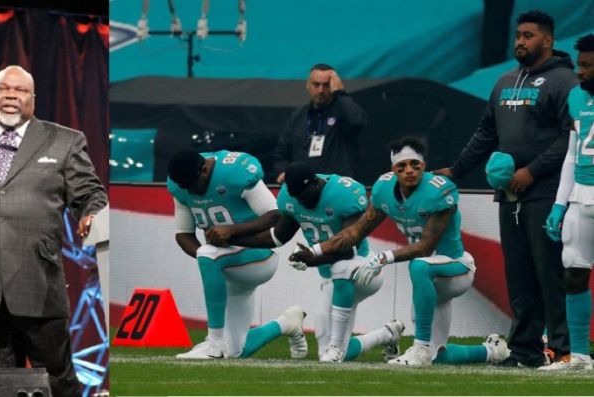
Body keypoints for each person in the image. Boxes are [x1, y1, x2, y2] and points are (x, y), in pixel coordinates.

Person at [0, 65, 107, 397]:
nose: (11, 95)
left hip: (39, 285)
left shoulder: (65, 141)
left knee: (58, 383)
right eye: (3, 89)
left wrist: (92, 214)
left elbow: (89, 194)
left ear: (33, 99)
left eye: (20, 90)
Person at [434, 10, 577, 367]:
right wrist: (456, 170)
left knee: (550, 274)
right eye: (517, 36)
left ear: (548, 40)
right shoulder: (504, 82)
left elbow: (571, 138)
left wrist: (533, 170)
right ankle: (525, 351)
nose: (519, 42)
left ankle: (563, 350)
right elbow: (485, 133)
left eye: (528, 36)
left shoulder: (566, 82)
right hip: (510, 197)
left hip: (549, 194)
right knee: (520, 277)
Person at [292, 137, 510, 366]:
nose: (409, 171)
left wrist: (384, 257)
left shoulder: (438, 190)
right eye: (402, 166)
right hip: (429, 277)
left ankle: (420, 348)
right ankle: (492, 351)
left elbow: (426, 247)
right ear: (393, 169)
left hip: (455, 268)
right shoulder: (384, 189)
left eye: (415, 165)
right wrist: (314, 250)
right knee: (439, 356)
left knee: (419, 265)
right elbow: (355, 232)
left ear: (424, 166)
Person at [226, 161, 404, 362]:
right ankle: (387, 334)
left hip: (362, 268)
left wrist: (314, 258)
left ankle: (337, 346)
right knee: (325, 353)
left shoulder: (343, 194)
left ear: (317, 183)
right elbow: (277, 237)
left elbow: (349, 248)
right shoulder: (291, 198)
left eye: (305, 196)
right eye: (297, 198)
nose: (302, 202)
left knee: (341, 267)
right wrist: (232, 237)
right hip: (332, 279)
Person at [166, 149, 307, 359]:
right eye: (185, 187)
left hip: (259, 254)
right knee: (234, 351)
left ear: (204, 170)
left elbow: (275, 215)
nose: (191, 192)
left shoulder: (234, 172)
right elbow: (183, 234)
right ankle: (287, 323)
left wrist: (231, 233)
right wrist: (209, 262)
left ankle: (213, 342)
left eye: (193, 185)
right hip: (228, 262)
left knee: (208, 254)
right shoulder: (181, 185)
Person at [540, 34, 594, 371]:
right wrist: (560, 204)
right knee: (573, 271)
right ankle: (579, 355)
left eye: (588, 66)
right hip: (581, 197)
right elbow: (572, 157)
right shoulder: (576, 97)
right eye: (581, 65)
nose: (582, 72)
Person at [273, 63, 367, 183]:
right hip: (305, 190)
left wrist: (340, 92)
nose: (321, 90)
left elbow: (356, 121)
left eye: (326, 85)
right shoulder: (298, 116)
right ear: (307, 85)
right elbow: (281, 153)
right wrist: (283, 171)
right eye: (316, 84)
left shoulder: (343, 111)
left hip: (337, 188)